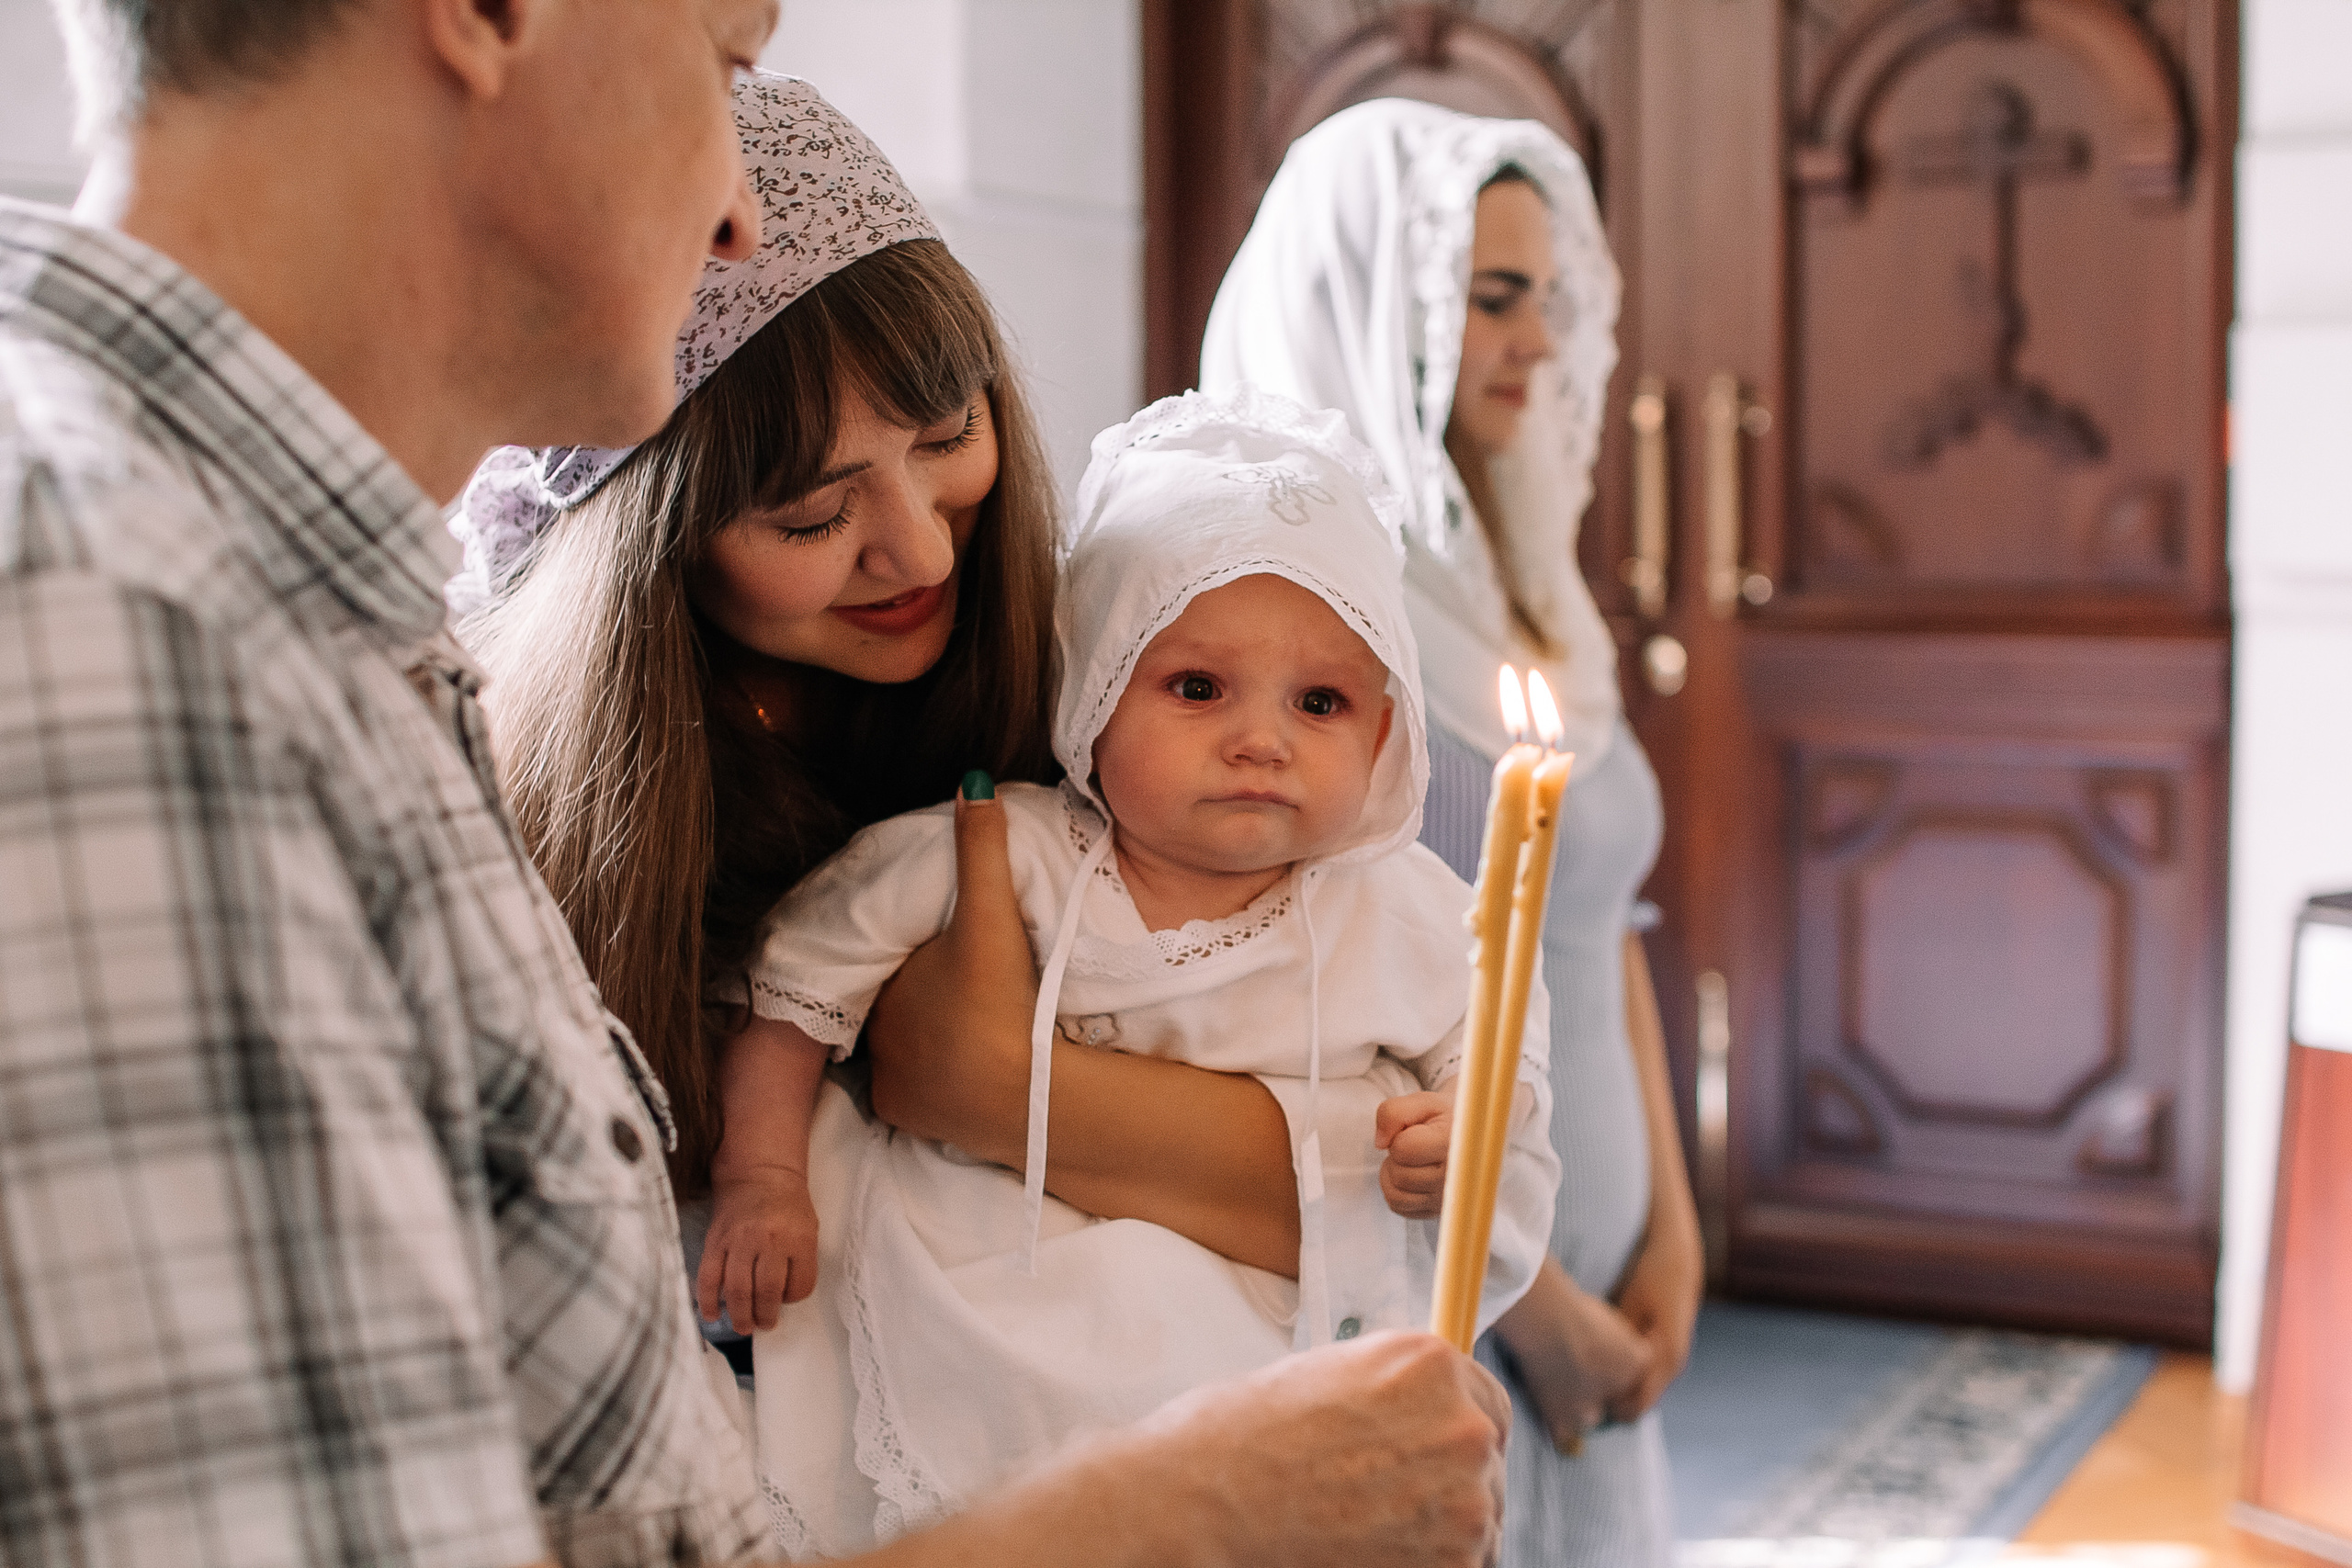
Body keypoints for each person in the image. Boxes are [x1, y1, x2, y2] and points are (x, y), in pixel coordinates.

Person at [0, 0, 1510, 1560]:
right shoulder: (110, 627)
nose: (738, 202)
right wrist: (1173, 1513)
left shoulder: (292, 621)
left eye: (943, 438)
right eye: (723, 60)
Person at [712, 386, 1558, 1555]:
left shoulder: (1410, 916)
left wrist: (1449, 1140)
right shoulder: (1001, 854)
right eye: (1196, 688)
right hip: (979, 1287)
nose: (1259, 741)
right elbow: (793, 993)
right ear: (1097, 691)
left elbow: (1500, 1103)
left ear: (1380, 733)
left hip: (1243, 1340)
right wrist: (761, 1177)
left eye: (1318, 702)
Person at [1202, 97, 1706, 1567]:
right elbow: (1278, 1010)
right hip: (1440, 1297)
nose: (1537, 341)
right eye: (1492, 297)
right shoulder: (1278, 618)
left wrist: (1670, 1222)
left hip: (1601, 1304)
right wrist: (1530, 1298)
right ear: (1365, 298)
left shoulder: (1516, 578)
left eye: (1547, 298)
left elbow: (1596, 925)